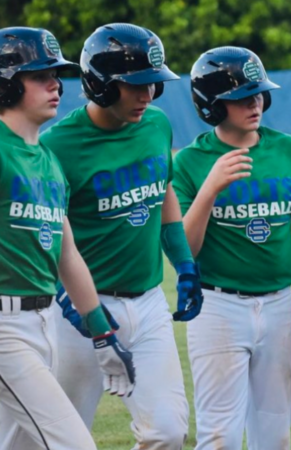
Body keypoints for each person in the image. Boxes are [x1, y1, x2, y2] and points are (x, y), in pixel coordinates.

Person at [40, 23, 200, 449]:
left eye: (153, 85)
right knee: (60, 437)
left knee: (167, 432)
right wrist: (66, 300)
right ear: (101, 85)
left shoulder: (156, 126)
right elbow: (46, 233)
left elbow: (162, 189)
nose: (147, 95)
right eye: (136, 86)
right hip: (79, 312)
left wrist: (183, 262)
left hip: (147, 304)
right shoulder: (57, 145)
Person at [172, 46, 291, 449]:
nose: (255, 102)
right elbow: (184, 251)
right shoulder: (191, 162)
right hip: (216, 307)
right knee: (218, 437)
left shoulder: (287, 150)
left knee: (275, 436)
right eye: (241, 97)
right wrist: (210, 188)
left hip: (279, 306)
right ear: (212, 105)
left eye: (259, 92)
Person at [0, 27, 134, 450]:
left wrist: (102, 332)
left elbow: (67, 254)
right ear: (7, 83)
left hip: (44, 327)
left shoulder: (48, 162)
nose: (56, 84)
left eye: (57, 74)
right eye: (41, 75)